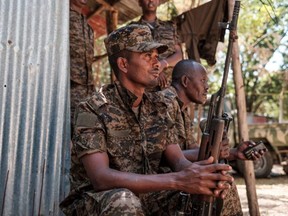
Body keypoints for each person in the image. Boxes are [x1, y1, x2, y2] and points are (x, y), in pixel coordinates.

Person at [59, 24, 234, 215]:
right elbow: (101, 178)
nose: (157, 63)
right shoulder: (92, 109)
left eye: (156, 56)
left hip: (151, 195)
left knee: (220, 189)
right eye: (147, 57)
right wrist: (178, 180)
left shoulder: (158, 106)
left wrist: (198, 173)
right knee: (124, 201)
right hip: (100, 201)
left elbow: (178, 161)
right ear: (123, 64)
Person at [162, 59, 267, 216]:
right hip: (163, 181)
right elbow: (166, 155)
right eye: (203, 80)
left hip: (178, 177)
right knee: (222, 186)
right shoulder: (165, 102)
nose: (207, 87)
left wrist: (233, 152)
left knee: (223, 184)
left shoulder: (182, 110)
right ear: (185, 81)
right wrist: (215, 153)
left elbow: (192, 149)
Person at [131, 0, 183, 89]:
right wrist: (155, 69)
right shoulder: (132, 29)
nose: (151, 0)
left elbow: (179, 55)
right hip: (143, 89)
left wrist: (163, 64)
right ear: (139, 2)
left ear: (158, 2)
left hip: (170, 88)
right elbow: (131, 59)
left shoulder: (170, 27)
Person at [70, 0, 95, 129]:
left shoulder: (86, 25)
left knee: (86, 131)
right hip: (69, 88)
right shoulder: (63, 18)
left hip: (87, 89)